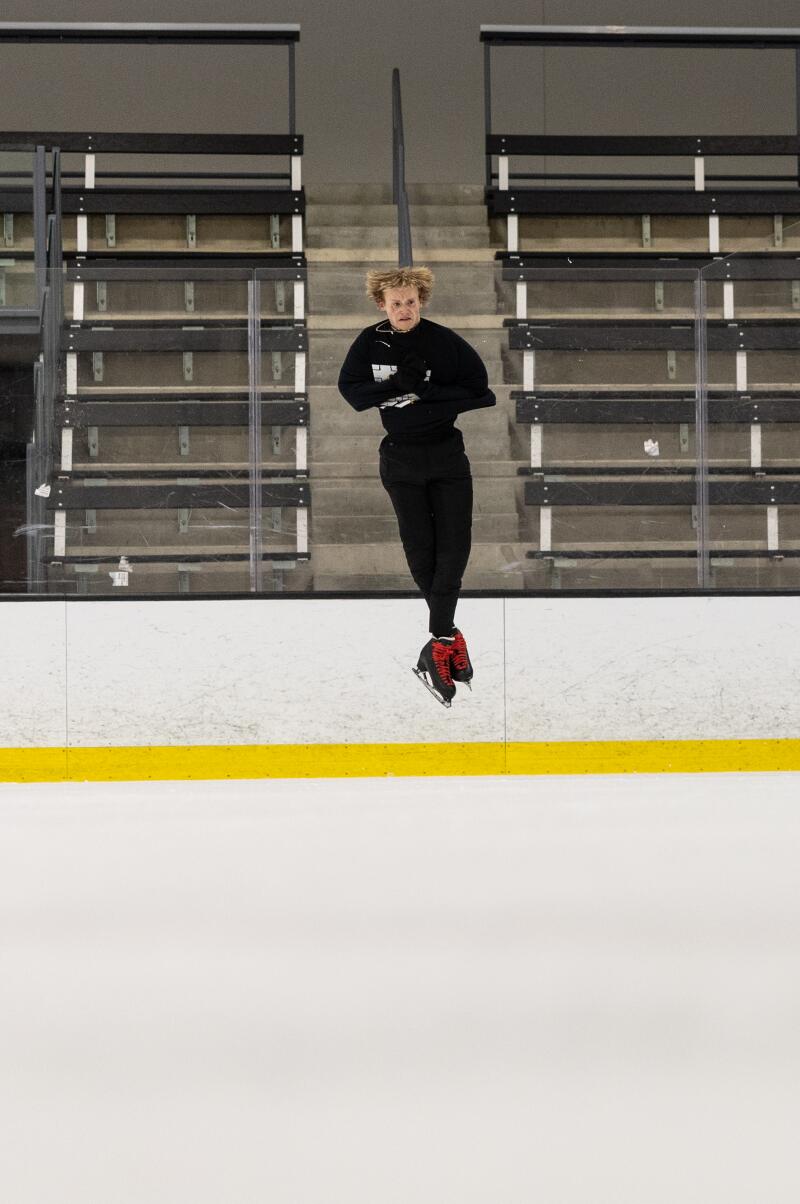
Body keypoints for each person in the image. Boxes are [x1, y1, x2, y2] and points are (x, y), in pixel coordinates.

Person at [337, 266, 496, 705]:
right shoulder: (370, 342)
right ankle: (446, 638)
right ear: (381, 306)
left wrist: (427, 391)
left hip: (447, 455)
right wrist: (395, 383)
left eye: (410, 302)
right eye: (395, 304)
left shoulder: (443, 341)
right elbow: (352, 394)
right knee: (421, 550)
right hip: (401, 458)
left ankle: (439, 643)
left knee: (454, 549)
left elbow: (482, 393)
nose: (404, 310)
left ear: (420, 300)